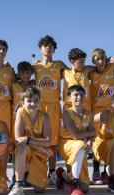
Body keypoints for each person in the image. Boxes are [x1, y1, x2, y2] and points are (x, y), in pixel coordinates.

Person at [33, 35, 66, 185]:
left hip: (53, 105)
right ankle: (36, 171)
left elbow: (74, 71)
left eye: (51, 46)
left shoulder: (59, 64)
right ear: (40, 49)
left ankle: (52, 172)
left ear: (54, 49)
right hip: (38, 106)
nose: (48, 48)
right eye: (45, 46)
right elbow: (22, 76)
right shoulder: (36, 66)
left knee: (52, 141)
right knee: (38, 139)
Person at [7, 87, 51, 195]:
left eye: (36, 100)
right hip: (28, 150)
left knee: (40, 190)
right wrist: (41, 147)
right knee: (21, 147)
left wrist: (28, 139)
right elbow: (18, 139)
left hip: (38, 153)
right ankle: (18, 185)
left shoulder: (45, 116)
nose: (33, 103)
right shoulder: (20, 113)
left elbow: (48, 141)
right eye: (29, 101)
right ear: (22, 103)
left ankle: (28, 174)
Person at [57, 85, 95, 195]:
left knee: (85, 188)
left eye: (82, 95)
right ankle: (74, 184)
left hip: (81, 147)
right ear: (69, 98)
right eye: (76, 95)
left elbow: (91, 134)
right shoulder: (67, 113)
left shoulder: (89, 114)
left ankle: (62, 174)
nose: (79, 97)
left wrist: (89, 141)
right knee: (79, 143)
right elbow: (76, 134)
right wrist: (91, 134)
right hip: (66, 144)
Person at [90, 48, 114, 185]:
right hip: (97, 112)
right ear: (94, 61)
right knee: (98, 141)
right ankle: (95, 172)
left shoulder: (111, 68)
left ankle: (104, 171)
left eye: (103, 58)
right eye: (98, 59)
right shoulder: (90, 73)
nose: (101, 61)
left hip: (112, 111)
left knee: (109, 139)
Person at [9, 61, 35, 188]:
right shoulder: (14, 86)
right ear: (18, 74)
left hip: (29, 121)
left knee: (29, 148)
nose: (26, 76)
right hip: (16, 120)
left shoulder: (33, 85)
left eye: (28, 73)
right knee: (17, 148)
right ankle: (16, 175)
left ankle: (27, 175)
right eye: (23, 73)